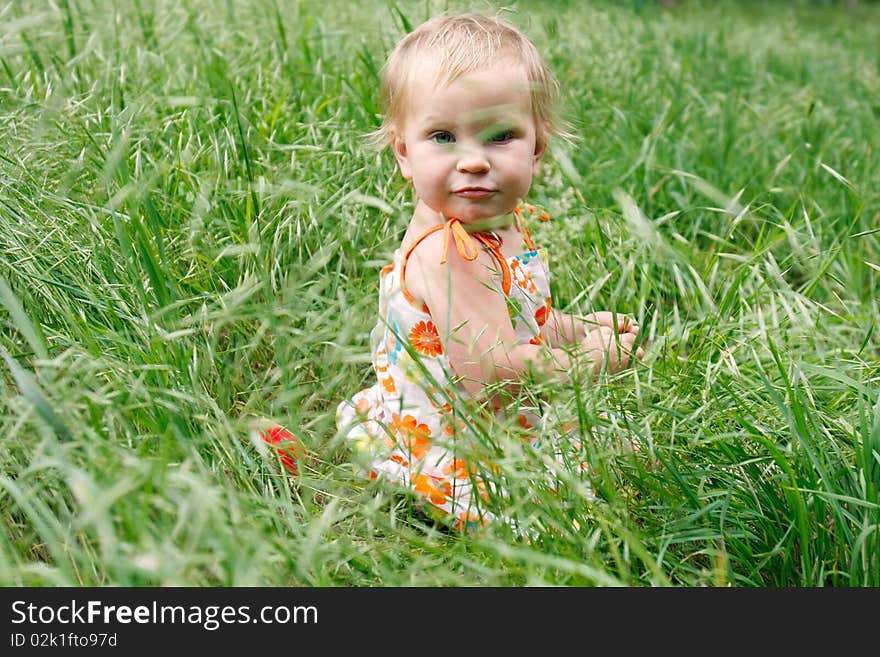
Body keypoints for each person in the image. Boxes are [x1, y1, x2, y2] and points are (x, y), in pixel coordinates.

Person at [336, 12, 643, 532]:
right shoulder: (448, 254)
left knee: (627, 446)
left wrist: (578, 326)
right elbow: (495, 380)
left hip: (488, 414)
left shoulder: (498, 225)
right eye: (442, 136)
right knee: (609, 478)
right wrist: (594, 359)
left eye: (499, 137)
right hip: (462, 441)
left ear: (538, 149)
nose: (473, 161)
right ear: (404, 153)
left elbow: (519, 315)